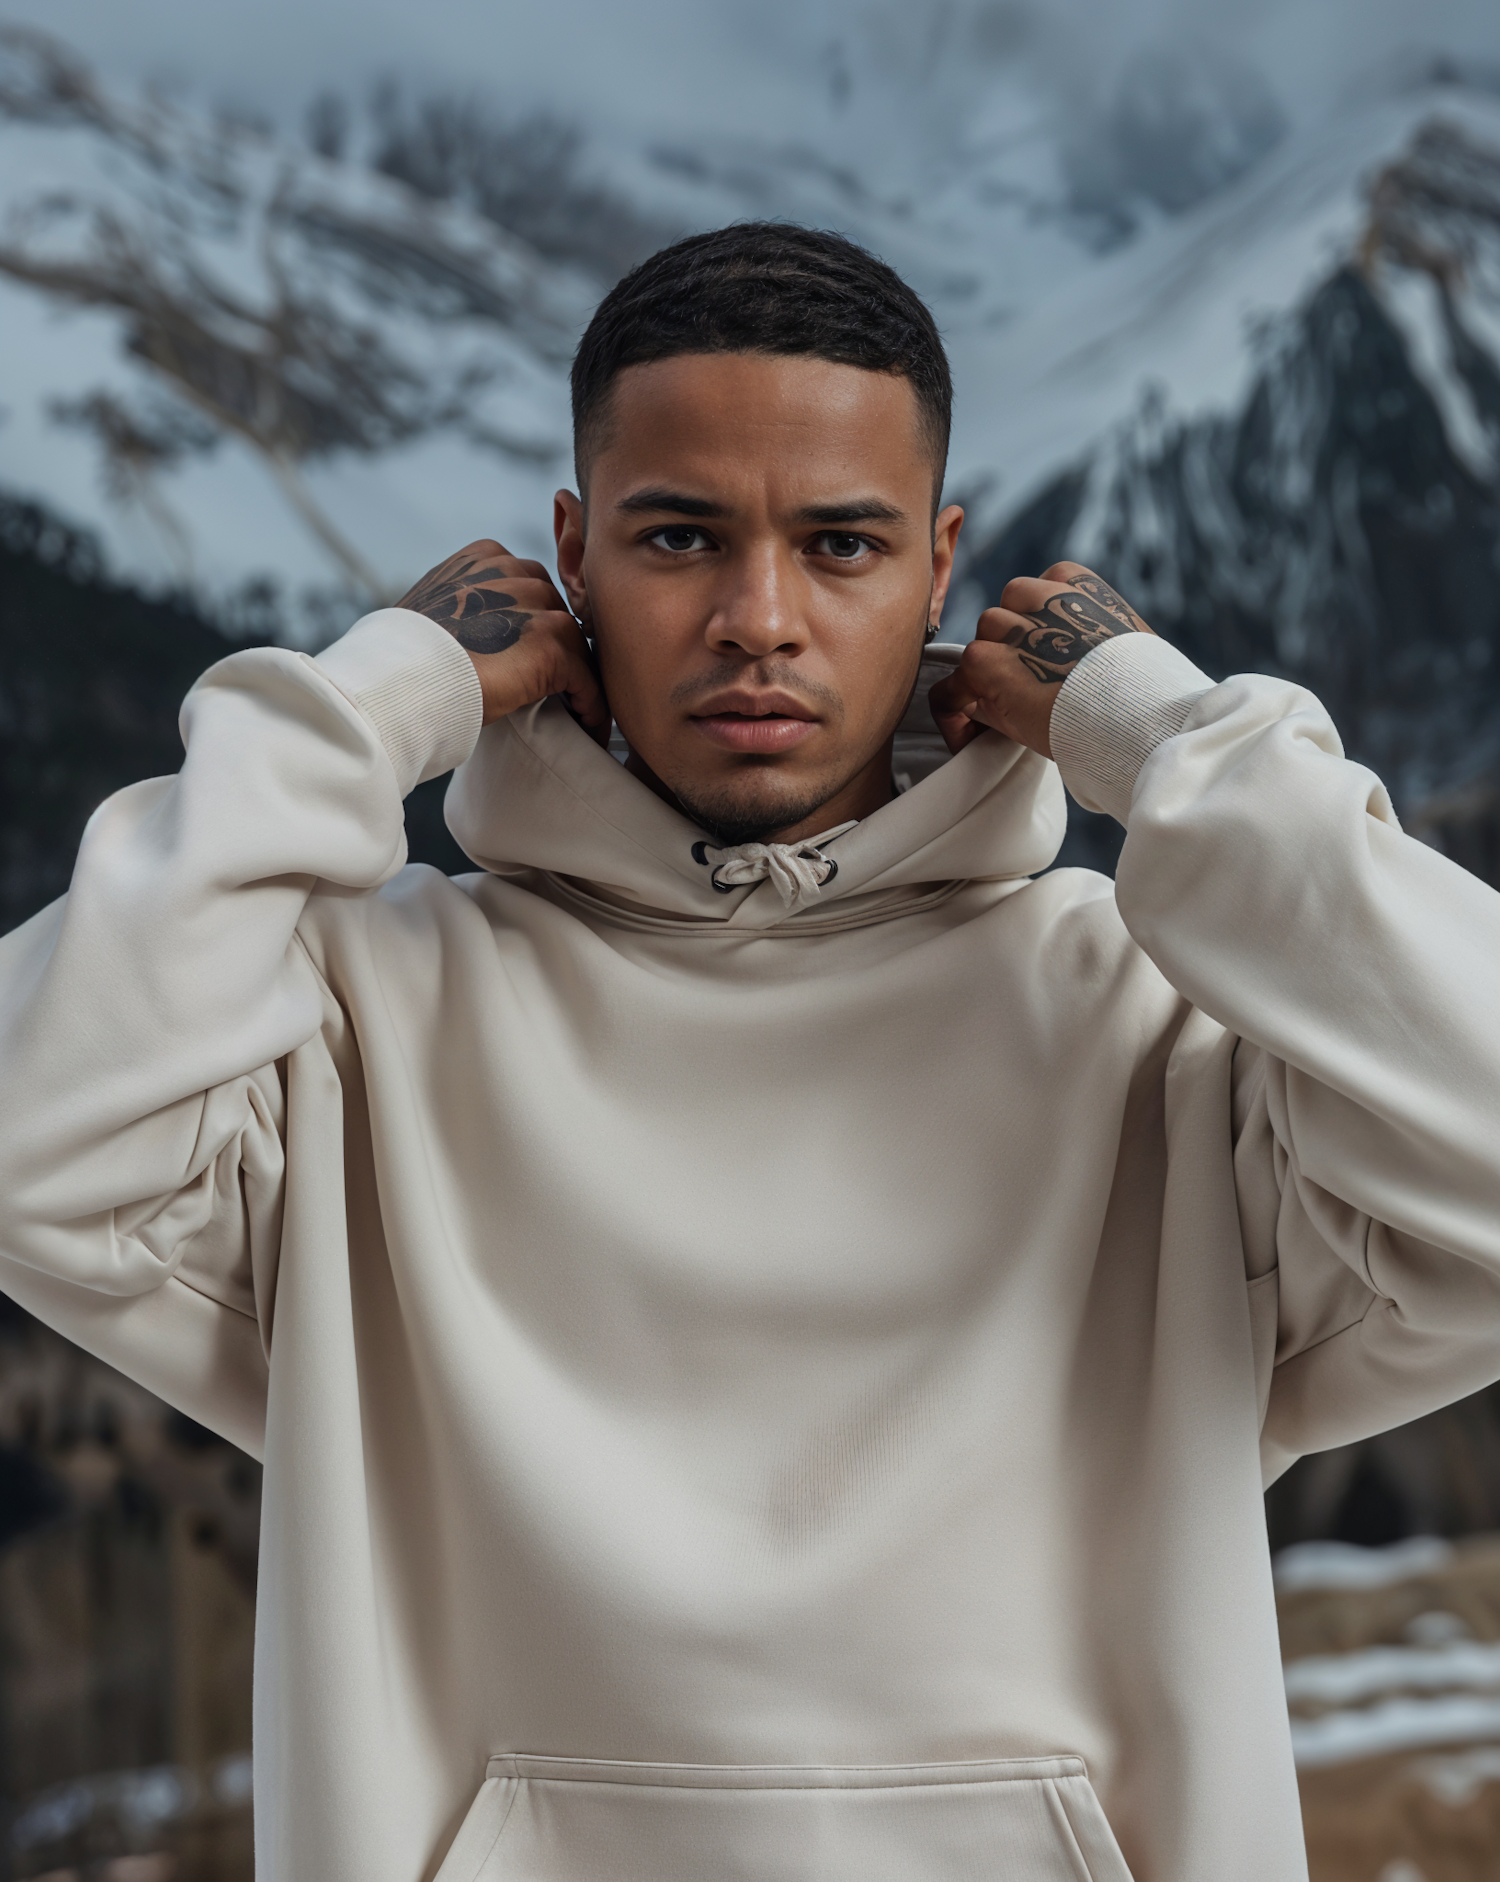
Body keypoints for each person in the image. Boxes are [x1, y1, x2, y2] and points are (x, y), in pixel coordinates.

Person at [1, 221, 1497, 1882]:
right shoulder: (356, 1024)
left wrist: (1172, 738)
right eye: (680, 536)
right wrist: (376, 701)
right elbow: (29, 1130)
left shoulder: (1161, 1041)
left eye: (841, 545)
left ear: (942, 568)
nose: (757, 617)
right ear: (574, 555)